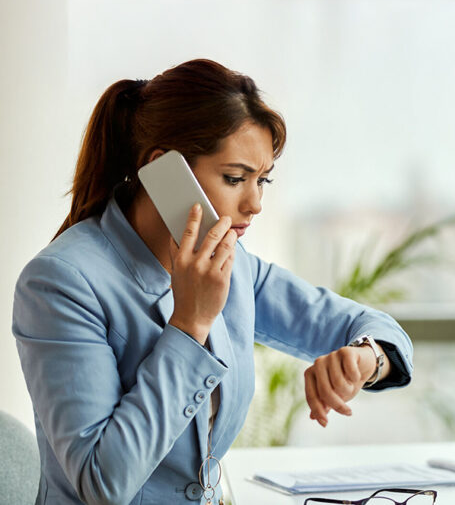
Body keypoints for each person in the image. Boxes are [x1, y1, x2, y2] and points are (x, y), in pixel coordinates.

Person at [12, 59, 413, 505]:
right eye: (235, 178)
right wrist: (189, 324)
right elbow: (102, 483)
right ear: (163, 170)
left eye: (262, 180)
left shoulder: (233, 264)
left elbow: (369, 325)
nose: (255, 202)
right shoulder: (60, 284)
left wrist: (367, 358)